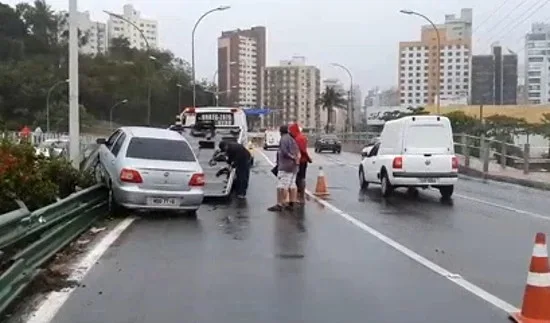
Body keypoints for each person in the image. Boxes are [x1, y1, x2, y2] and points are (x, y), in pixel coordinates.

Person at [268, 125, 300, 212]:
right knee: (292, 184)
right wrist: (296, 159)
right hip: (294, 166)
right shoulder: (292, 139)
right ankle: (292, 203)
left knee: (282, 185)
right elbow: (297, 151)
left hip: (286, 166)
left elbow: (285, 151)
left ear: (280, 131)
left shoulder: (283, 139)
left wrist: (292, 157)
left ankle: (280, 204)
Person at [288, 123, 312, 204]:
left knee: (300, 178)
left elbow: (303, 150)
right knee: (299, 178)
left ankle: (301, 197)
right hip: (300, 160)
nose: (290, 133)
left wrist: (308, 158)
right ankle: (299, 196)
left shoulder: (299, 138)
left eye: (291, 131)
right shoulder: (299, 137)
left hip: (300, 161)